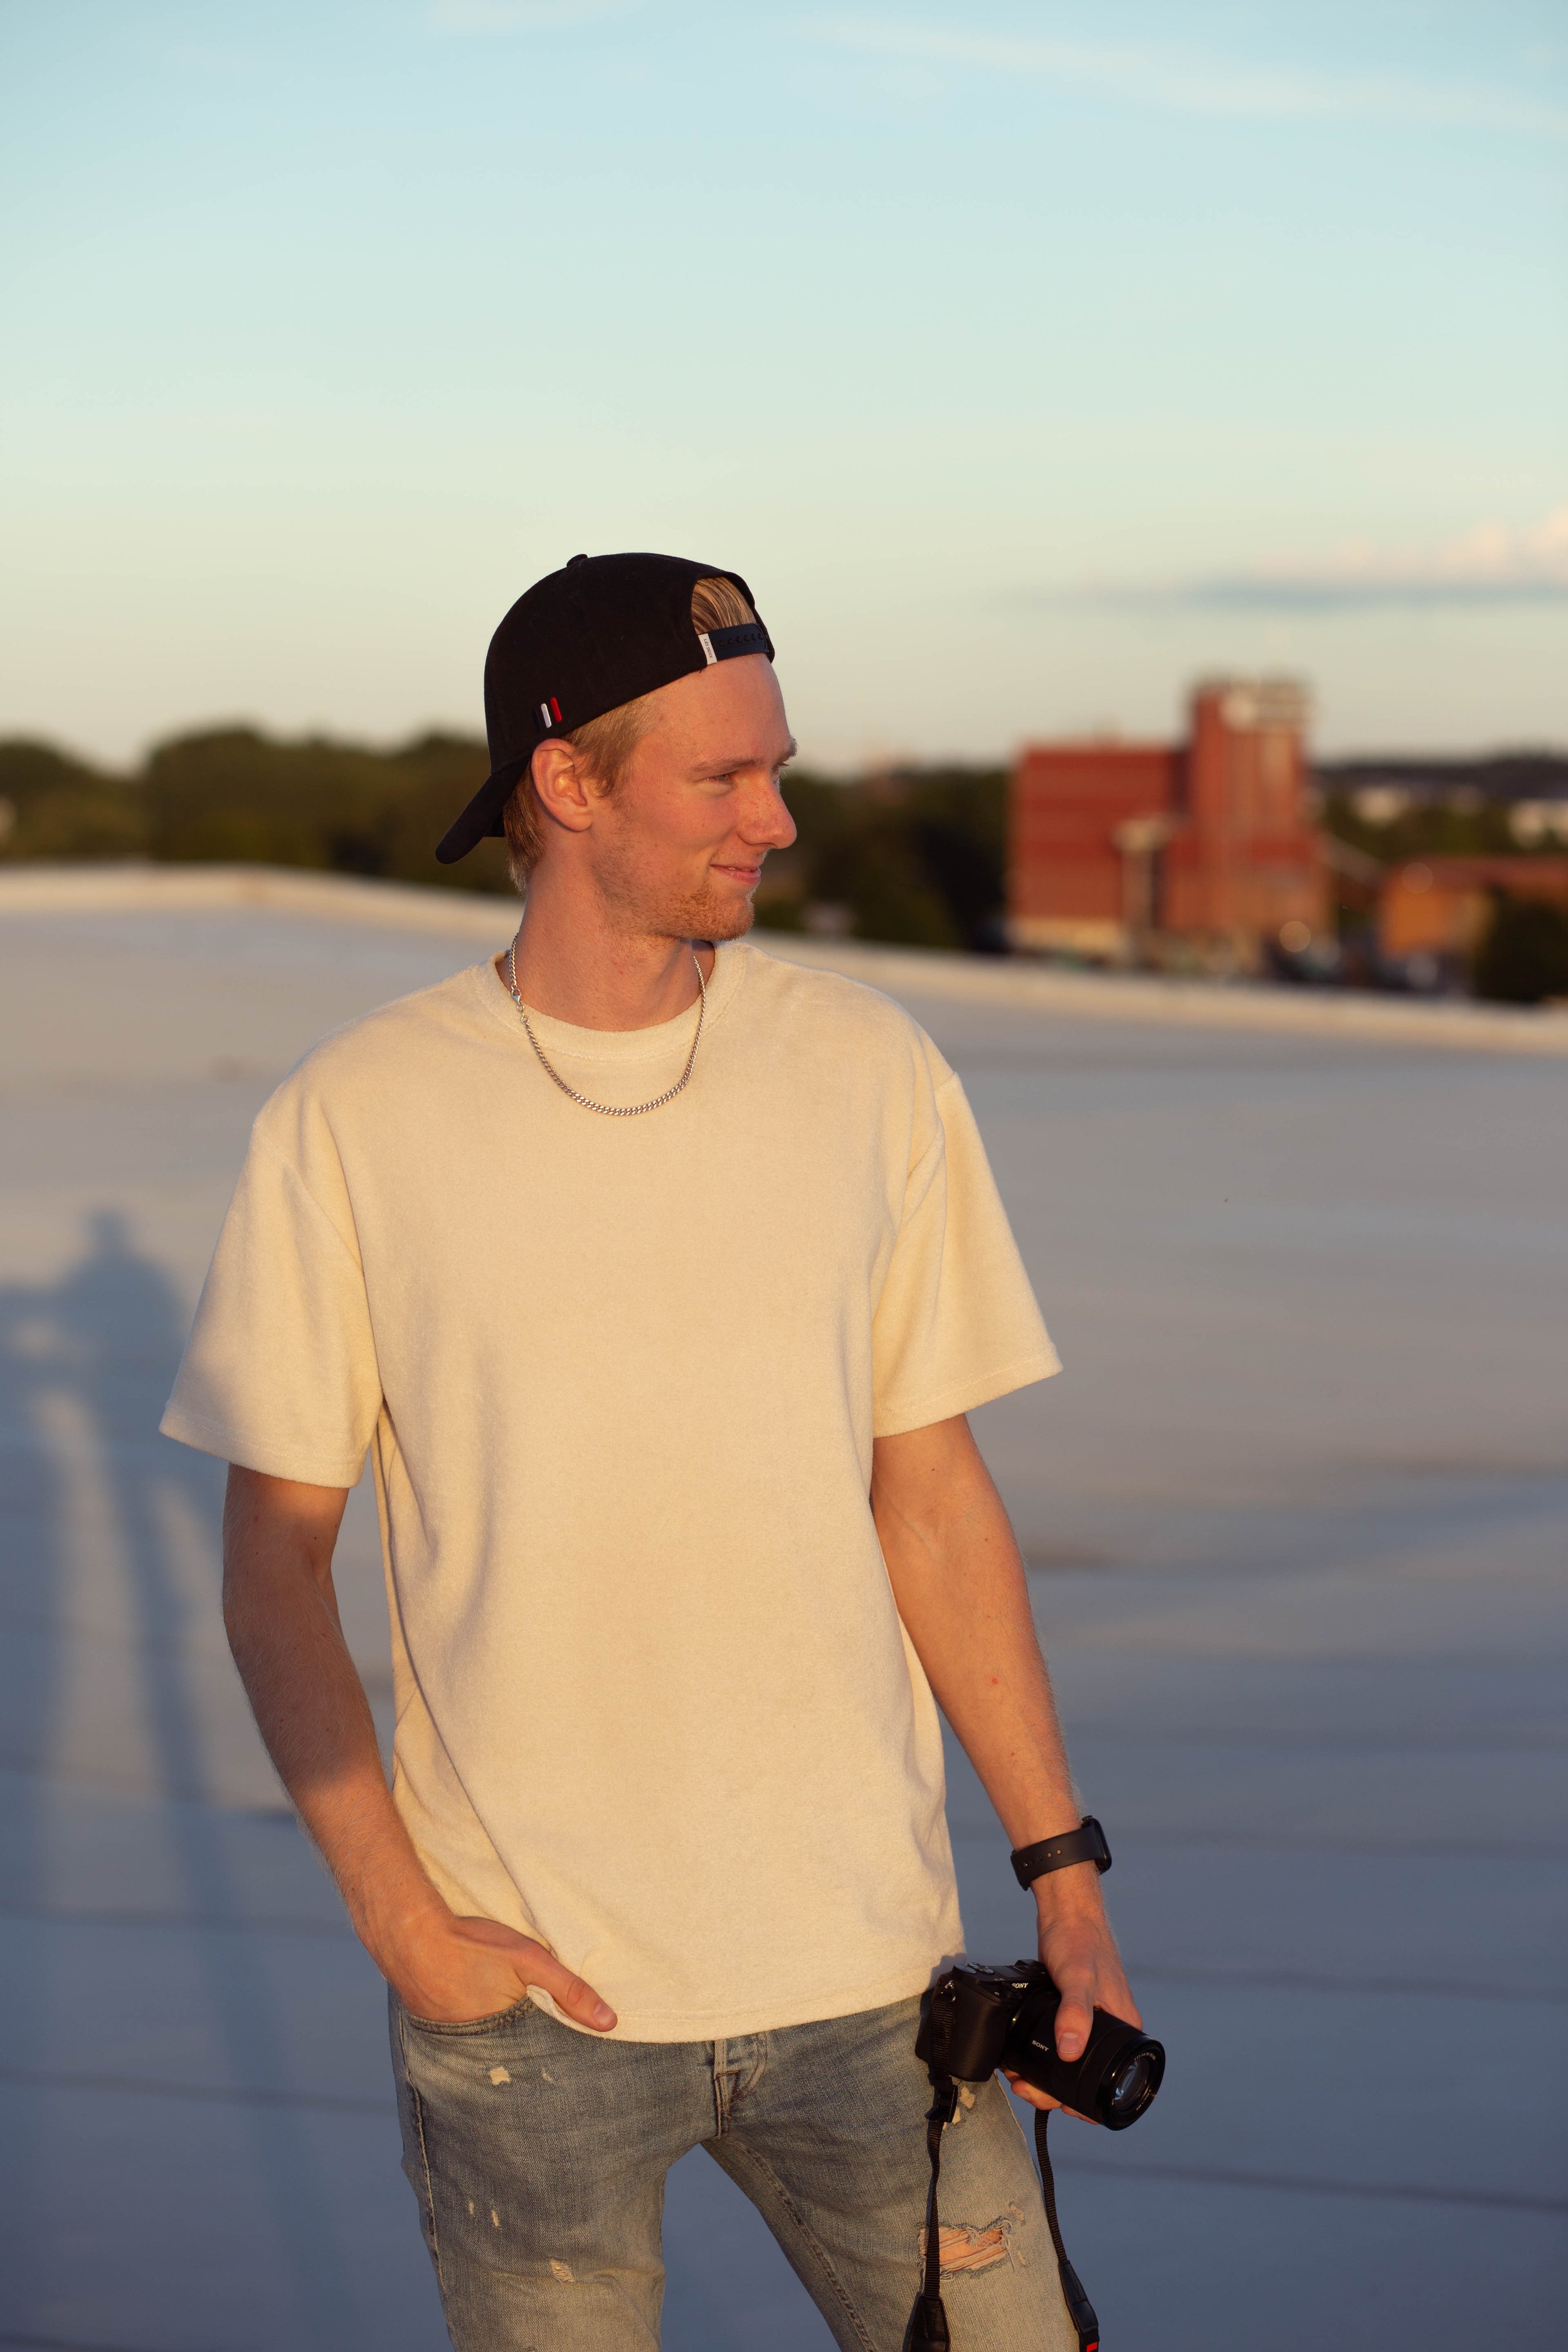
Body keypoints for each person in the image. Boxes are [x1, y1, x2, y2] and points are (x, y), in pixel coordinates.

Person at [161, 552, 1141, 2351]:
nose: (774, 819)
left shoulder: (868, 1069)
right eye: (722, 778)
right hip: (532, 2017)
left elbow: (928, 1497)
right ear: (565, 783)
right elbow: (272, 1559)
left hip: (876, 1987)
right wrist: (407, 1927)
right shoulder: (355, 1121)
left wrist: (1058, 1877)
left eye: (777, 768)